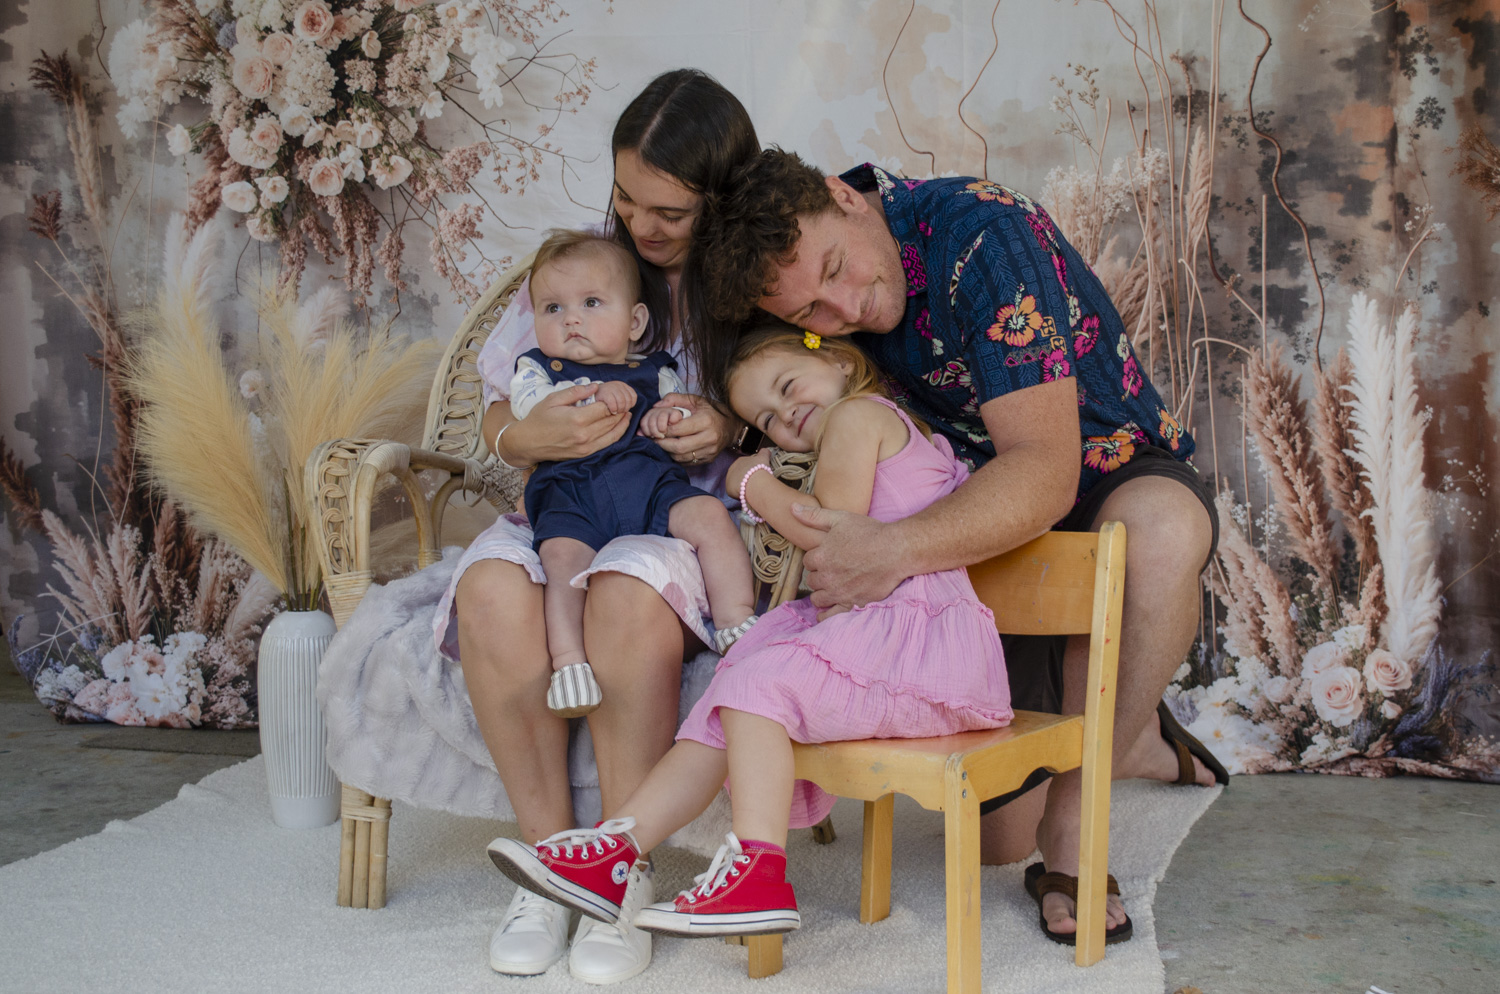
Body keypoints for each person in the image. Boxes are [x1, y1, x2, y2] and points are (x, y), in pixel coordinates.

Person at [690, 151, 1228, 946]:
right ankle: (1134, 733)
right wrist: (729, 457)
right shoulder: (810, 294)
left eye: (839, 268)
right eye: (816, 314)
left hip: (1092, 469)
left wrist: (893, 548)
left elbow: (1046, 472)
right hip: (972, 521)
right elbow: (778, 408)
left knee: (1161, 529)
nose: (847, 308)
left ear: (844, 195)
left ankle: (1080, 823)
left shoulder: (982, 235)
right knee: (993, 843)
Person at [486, 324, 1013, 948]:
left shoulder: (857, 417)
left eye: (788, 386)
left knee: (754, 688)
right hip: (877, 630)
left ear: (841, 363)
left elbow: (827, 531)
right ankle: (616, 854)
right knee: (721, 702)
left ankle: (761, 873)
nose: (788, 414)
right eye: (769, 417)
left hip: (918, 643)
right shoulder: (856, 425)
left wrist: (747, 479)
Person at [433, 69, 759, 984]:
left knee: (623, 590)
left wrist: (722, 427)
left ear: (722, 200)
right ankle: (550, 865)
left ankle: (621, 871)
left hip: (667, 510)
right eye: (625, 197)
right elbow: (501, 415)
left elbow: (792, 409)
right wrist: (520, 434)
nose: (641, 225)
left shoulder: (745, 294)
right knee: (495, 588)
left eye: (669, 209)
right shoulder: (581, 274)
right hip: (565, 501)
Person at [507, 230, 759, 718]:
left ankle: (736, 620)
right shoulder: (537, 370)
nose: (572, 319)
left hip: (648, 488)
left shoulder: (656, 371)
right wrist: (590, 397)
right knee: (559, 562)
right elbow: (528, 408)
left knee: (707, 515)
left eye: (592, 303)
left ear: (634, 321)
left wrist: (668, 419)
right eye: (552, 309)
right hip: (570, 497)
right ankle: (569, 664)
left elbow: (679, 412)